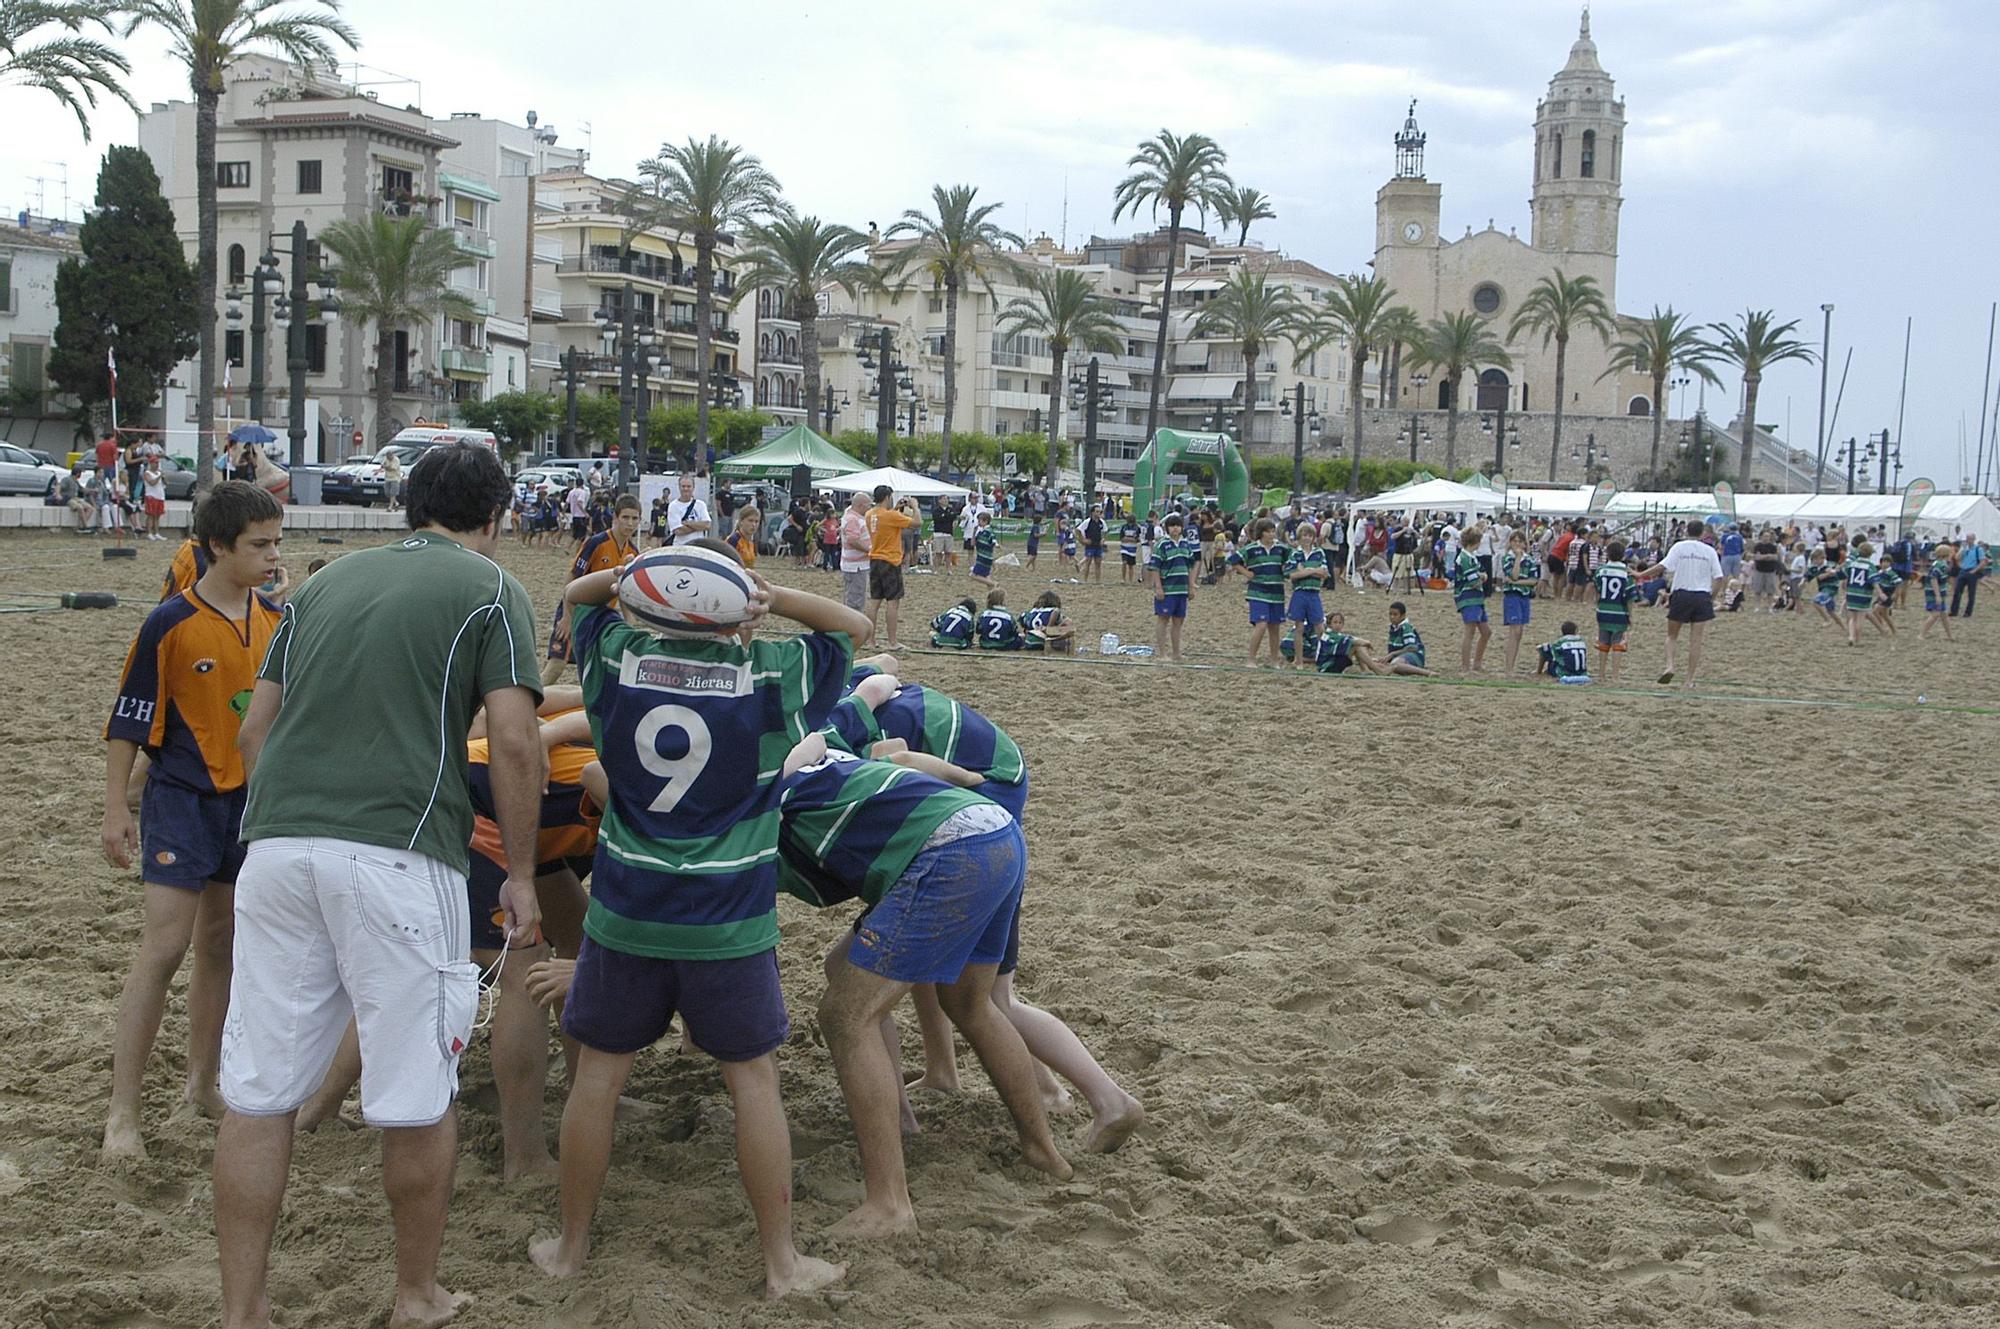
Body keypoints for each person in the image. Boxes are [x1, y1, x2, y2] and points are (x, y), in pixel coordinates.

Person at [219, 445, 546, 1329]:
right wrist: (518, 873)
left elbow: (257, 729)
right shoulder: (487, 586)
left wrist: (293, 813)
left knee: (257, 1093)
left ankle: (241, 1310)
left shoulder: (324, 584)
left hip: (278, 844)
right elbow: (516, 741)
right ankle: (416, 1294)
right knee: (413, 1093)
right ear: (494, 516)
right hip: (400, 851)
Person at [529, 539, 863, 1300]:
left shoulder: (612, 664)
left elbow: (579, 596)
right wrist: (771, 598)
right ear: (731, 613)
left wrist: (628, 577)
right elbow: (850, 627)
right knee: (753, 1082)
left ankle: (571, 1247)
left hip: (625, 915)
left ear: (644, 606)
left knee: (598, 1080)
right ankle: (782, 1263)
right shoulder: (770, 680)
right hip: (730, 923)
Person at [780, 744, 1074, 1239]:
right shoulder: (818, 747)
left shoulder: (755, 796)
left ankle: (889, 1204)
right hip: (996, 829)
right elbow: (905, 761)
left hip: (949, 854)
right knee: (967, 1002)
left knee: (845, 1015)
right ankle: (1043, 1152)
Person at [100, 482, 286, 1163]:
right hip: (181, 795)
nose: (272, 556)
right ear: (217, 546)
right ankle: (123, 1111)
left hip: (250, 805)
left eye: (275, 542)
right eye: (258, 544)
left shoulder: (273, 620)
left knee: (222, 941)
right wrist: (116, 806)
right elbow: (127, 722)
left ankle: (200, 1086)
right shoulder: (169, 622)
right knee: (164, 945)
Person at [545, 494, 642, 687]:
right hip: (576, 610)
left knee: (594, 673)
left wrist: (631, 626)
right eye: (625, 517)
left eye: (634, 518)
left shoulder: (633, 552)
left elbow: (624, 591)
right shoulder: (596, 543)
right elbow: (572, 577)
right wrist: (566, 616)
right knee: (556, 666)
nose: (630, 523)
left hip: (601, 617)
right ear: (615, 518)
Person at [1636, 520, 1724, 688]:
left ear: (1686, 532)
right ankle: (1689, 680)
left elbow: (1661, 566)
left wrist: (1640, 574)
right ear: (1703, 534)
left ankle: (1670, 665)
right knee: (1695, 640)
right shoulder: (1709, 550)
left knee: (1672, 636)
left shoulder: (1679, 547)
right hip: (1701, 595)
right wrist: (1711, 597)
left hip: (1681, 593)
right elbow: (1719, 578)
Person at [1229, 517, 1290, 668]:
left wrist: (1288, 570)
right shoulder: (1251, 549)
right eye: (1268, 532)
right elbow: (1233, 560)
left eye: (1273, 531)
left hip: (1277, 591)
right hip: (1258, 591)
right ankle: (1251, 659)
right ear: (1261, 533)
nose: (1271, 534)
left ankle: (1274, 659)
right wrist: (1245, 573)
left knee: (1274, 626)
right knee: (1261, 625)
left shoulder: (1282, 548)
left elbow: (1293, 560)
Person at [864, 485, 919, 650]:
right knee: (893, 602)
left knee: (874, 602)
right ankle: (892, 642)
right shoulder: (891, 515)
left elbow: (885, 520)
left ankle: (870, 640)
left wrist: (897, 508)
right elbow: (917, 523)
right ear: (887, 497)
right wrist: (915, 506)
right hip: (890, 560)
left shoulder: (870, 514)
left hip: (875, 559)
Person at [1148, 513, 1195, 664]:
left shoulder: (1186, 544)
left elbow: (1190, 566)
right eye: (1172, 525)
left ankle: (1176, 653)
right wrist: (1159, 588)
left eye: (1178, 525)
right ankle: (1162, 653)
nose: (1175, 528)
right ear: (1167, 528)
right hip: (1167, 589)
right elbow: (1155, 567)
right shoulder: (1162, 544)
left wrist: (1191, 586)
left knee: (1178, 622)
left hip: (1182, 590)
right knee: (1163, 620)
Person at [1282, 524, 1329, 673]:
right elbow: (1291, 574)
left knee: (1319, 627)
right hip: (1300, 593)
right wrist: (1313, 571)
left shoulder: (1319, 552)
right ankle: (1299, 660)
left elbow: (1324, 573)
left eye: (1310, 535)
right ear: (1299, 537)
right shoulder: (1295, 553)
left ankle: (1322, 658)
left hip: (1314, 593)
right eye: (1304, 535)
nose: (1307, 538)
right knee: (1299, 627)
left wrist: (1306, 570)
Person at [1592, 539, 1639, 684]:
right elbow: (1630, 597)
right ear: (1623, 555)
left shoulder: (1600, 571)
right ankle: (1615, 676)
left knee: (1603, 643)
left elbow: (1598, 590)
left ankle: (1601, 675)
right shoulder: (1626, 573)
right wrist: (1631, 615)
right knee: (1618, 644)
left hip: (1603, 610)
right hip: (1620, 611)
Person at [1450, 524, 1490, 673]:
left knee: (1486, 632)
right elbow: (1473, 580)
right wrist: (1482, 577)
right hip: (1468, 597)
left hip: (1477, 598)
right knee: (1470, 631)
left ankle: (1477, 663)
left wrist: (1481, 576)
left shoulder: (1470, 556)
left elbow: (1478, 576)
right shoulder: (1464, 557)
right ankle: (1465, 666)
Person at [1499, 531, 1540, 675]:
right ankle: (1509, 668)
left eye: (1520, 541)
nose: (1517, 544)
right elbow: (1513, 575)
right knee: (1514, 631)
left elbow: (1533, 581)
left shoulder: (1529, 560)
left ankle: (1512, 665)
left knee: (1519, 632)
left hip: (1524, 597)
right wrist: (1517, 559)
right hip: (1512, 596)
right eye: (1514, 541)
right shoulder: (1507, 558)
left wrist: (1518, 582)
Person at [838, 490, 873, 612]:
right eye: (868, 505)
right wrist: (869, 550)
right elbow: (852, 540)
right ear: (861, 505)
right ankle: (853, 626)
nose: (869, 507)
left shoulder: (851, 516)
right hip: (856, 566)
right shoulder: (853, 519)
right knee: (855, 600)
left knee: (855, 596)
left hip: (856, 565)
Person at [1840, 539, 1878, 646]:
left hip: (1851, 592)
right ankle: (1858, 639)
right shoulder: (1870, 566)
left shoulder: (1852, 564)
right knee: (1860, 618)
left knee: (1852, 618)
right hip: (1864, 593)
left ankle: (1851, 636)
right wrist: (1880, 592)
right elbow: (1874, 581)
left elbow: (1843, 573)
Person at [1380, 602, 1436, 676]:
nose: (1392, 617)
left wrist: (1392, 654)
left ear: (1403, 616)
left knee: (1395, 664)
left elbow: (1412, 648)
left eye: (1395, 614)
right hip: (1401, 657)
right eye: (1390, 614)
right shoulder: (1393, 628)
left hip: (1414, 656)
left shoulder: (1406, 628)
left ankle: (1427, 673)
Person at [664, 474, 711, 547]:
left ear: (693, 487)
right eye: (683, 486)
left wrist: (688, 523)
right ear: (679, 487)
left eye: (688, 486)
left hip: (698, 546)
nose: (686, 489)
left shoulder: (700, 505)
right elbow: (678, 530)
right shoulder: (673, 506)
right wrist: (699, 526)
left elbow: (707, 525)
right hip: (680, 546)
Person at [1921, 541, 1956, 640]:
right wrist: (1937, 595)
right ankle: (1922, 634)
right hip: (1934, 593)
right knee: (1935, 614)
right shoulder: (1941, 565)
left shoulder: (1939, 564)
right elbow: (1933, 579)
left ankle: (1949, 635)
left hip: (1939, 592)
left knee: (1943, 614)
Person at [1749, 529, 1783, 613]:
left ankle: (1770, 607)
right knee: (1757, 590)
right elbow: (1755, 556)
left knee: (1770, 590)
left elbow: (1775, 557)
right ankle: (1757, 606)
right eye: (1765, 536)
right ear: (1761, 536)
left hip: (1770, 570)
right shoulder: (1757, 546)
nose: (1766, 538)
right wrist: (1767, 556)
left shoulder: (1773, 547)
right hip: (1759, 570)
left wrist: (1763, 557)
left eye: (1768, 536)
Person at [1951, 537, 1987, 617]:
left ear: (1973, 539)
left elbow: (1982, 562)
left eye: (1969, 538)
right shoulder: (1965, 549)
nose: (1967, 540)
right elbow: (1957, 558)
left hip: (1972, 572)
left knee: (1971, 593)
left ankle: (1968, 612)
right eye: (1967, 538)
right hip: (1963, 570)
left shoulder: (1978, 549)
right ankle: (1954, 611)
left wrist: (1974, 570)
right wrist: (1962, 549)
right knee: (1957, 592)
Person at [969, 510, 999, 589]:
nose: (978, 522)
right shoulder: (980, 532)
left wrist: (996, 545)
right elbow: (972, 544)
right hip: (982, 556)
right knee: (986, 577)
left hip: (984, 558)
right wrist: (973, 532)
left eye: (980, 520)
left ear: (985, 521)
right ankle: (992, 594)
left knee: (973, 575)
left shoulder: (988, 532)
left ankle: (993, 584)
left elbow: (993, 542)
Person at [140, 458, 167, 540]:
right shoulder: (147, 473)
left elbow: (165, 483)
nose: (157, 464)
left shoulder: (158, 472)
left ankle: (157, 532)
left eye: (157, 463)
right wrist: (159, 476)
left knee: (157, 515)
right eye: (155, 463)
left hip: (160, 496)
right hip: (151, 496)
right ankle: (149, 532)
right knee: (151, 515)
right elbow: (152, 483)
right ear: (151, 463)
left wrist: (163, 478)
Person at [1081, 509, 1106, 581]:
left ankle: (1098, 580)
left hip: (1098, 546)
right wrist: (1083, 540)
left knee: (1098, 564)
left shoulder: (1101, 522)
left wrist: (1103, 539)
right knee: (1088, 563)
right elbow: (1078, 530)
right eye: (1097, 511)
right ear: (1092, 512)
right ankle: (1085, 580)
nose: (1099, 513)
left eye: (1100, 512)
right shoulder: (1087, 522)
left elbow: (1105, 531)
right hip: (1090, 546)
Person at [1118, 513, 1140, 581]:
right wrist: (1131, 539)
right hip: (1124, 548)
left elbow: (1137, 539)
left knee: (1131, 565)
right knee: (1124, 562)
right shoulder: (1124, 527)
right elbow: (1122, 538)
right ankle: (1123, 578)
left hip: (1132, 549)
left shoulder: (1137, 527)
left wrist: (1128, 539)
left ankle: (1130, 579)